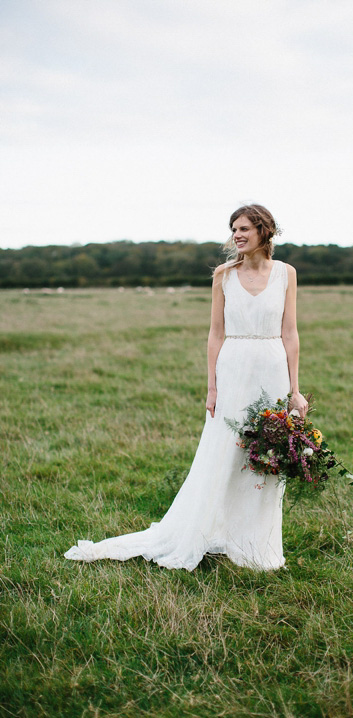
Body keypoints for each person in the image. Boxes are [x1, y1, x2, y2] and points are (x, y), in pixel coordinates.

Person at [65, 204, 307, 571]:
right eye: (233, 230)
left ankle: (256, 547)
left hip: (272, 369)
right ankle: (204, 530)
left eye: (244, 228)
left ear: (264, 231)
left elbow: (290, 333)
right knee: (225, 452)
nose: (237, 235)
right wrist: (212, 387)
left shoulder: (286, 274)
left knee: (266, 456)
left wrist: (294, 390)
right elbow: (215, 333)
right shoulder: (223, 275)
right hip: (233, 369)